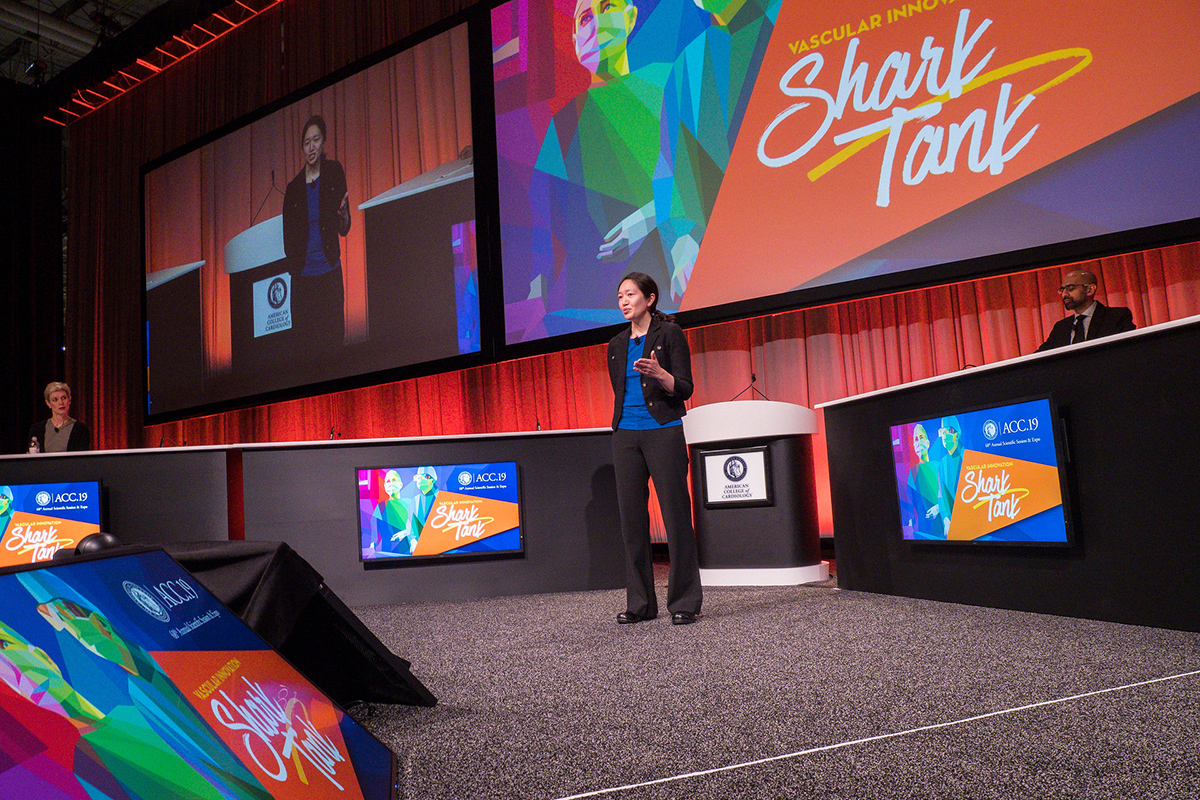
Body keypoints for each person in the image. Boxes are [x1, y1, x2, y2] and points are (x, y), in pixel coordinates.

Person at [607, 271, 701, 625]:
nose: (624, 301)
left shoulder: (670, 334)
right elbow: (621, 392)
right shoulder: (616, 344)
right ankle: (641, 604)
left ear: (649, 299)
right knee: (632, 522)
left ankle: (685, 602)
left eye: (630, 294)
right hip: (625, 436)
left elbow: (685, 387)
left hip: (663, 431)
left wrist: (661, 375)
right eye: (620, 296)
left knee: (676, 517)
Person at [282, 114, 351, 358]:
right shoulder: (293, 189)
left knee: (333, 345)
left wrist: (344, 217)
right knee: (305, 350)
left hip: (330, 273)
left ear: (324, 142)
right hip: (303, 281)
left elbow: (345, 227)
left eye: (316, 140)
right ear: (302, 147)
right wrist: (297, 269)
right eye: (306, 142)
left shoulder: (334, 171)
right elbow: (288, 239)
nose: (311, 147)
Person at [1036, 269, 1136, 352]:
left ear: (1090, 290)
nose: (1064, 294)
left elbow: (1128, 349)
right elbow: (1039, 357)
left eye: (1071, 288)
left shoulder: (1116, 316)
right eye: (1062, 290)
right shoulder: (1060, 328)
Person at [28, 382, 91, 453]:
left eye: (64, 398)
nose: (61, 403)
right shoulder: (37, 429)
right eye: (55, 400)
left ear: (69, 400)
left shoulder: (81, 429)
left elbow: (81, 458)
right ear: (48, 403)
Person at [905, 424, 942, 539]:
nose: (919, 442)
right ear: (913, 445)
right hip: (924, 531)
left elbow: (950, 498)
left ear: (928, 442)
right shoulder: (913, 473)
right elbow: (910, 505)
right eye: (916, 439)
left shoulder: (938, 466)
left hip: (943, 528)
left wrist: (939, 508)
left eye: (921, 437)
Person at [936, 416, 964, 539]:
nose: (944, 435)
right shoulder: (942, 463)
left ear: (956, 435)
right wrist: (946, 520)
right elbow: (942, 495)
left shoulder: (968, 457)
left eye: (948, 431)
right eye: (942, 431)